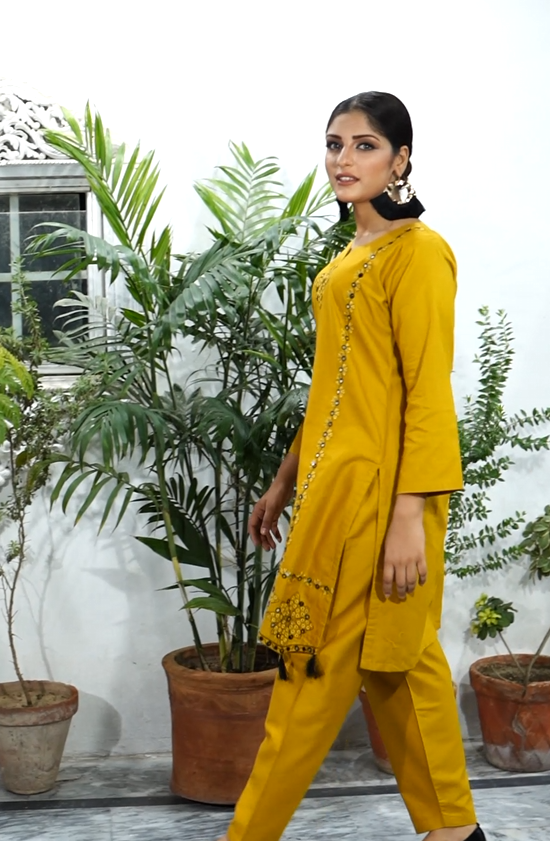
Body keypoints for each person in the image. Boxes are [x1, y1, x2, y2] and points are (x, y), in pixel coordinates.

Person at [218, 91, 486, 841]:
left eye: (365, 145)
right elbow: (336, 386)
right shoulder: (348, 257)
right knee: (401, 665)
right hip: (333, 490)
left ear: (401, 160)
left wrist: (408, 517)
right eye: (335, 143)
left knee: (310, 673)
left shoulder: (418, 253)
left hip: (384, 498)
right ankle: (455, 830)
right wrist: (283, 479)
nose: (344, 159)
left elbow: (427, 392)